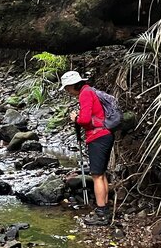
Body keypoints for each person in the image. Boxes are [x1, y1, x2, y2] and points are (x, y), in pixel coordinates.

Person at [60, 70, 114, 226]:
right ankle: (104, 211)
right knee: (101, 174)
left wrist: (75, 118)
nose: (67, 91)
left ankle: (101, 214)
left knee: (97, 176)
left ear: (72, 85)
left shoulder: (85, 93)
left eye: (67, 88)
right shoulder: (89, 91)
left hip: (98, 137)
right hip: (105, 135)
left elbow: (84, 120)